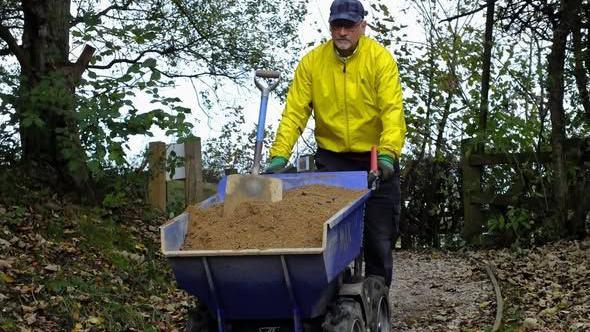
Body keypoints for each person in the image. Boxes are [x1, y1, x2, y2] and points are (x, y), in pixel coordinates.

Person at [265, 0, 406, 287]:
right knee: (329, 237)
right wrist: (279, 156)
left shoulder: (380, 60)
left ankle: (377, 302)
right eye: (337, 26)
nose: (342, 32)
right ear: (330, 26)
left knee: (378, 236)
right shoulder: (312, 63)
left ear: (362, 27)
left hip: (375, 158)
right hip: (333, 159)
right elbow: (295, 113)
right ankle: (333, 301)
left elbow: (392, 110)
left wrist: (389, 153)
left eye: (349, 26)